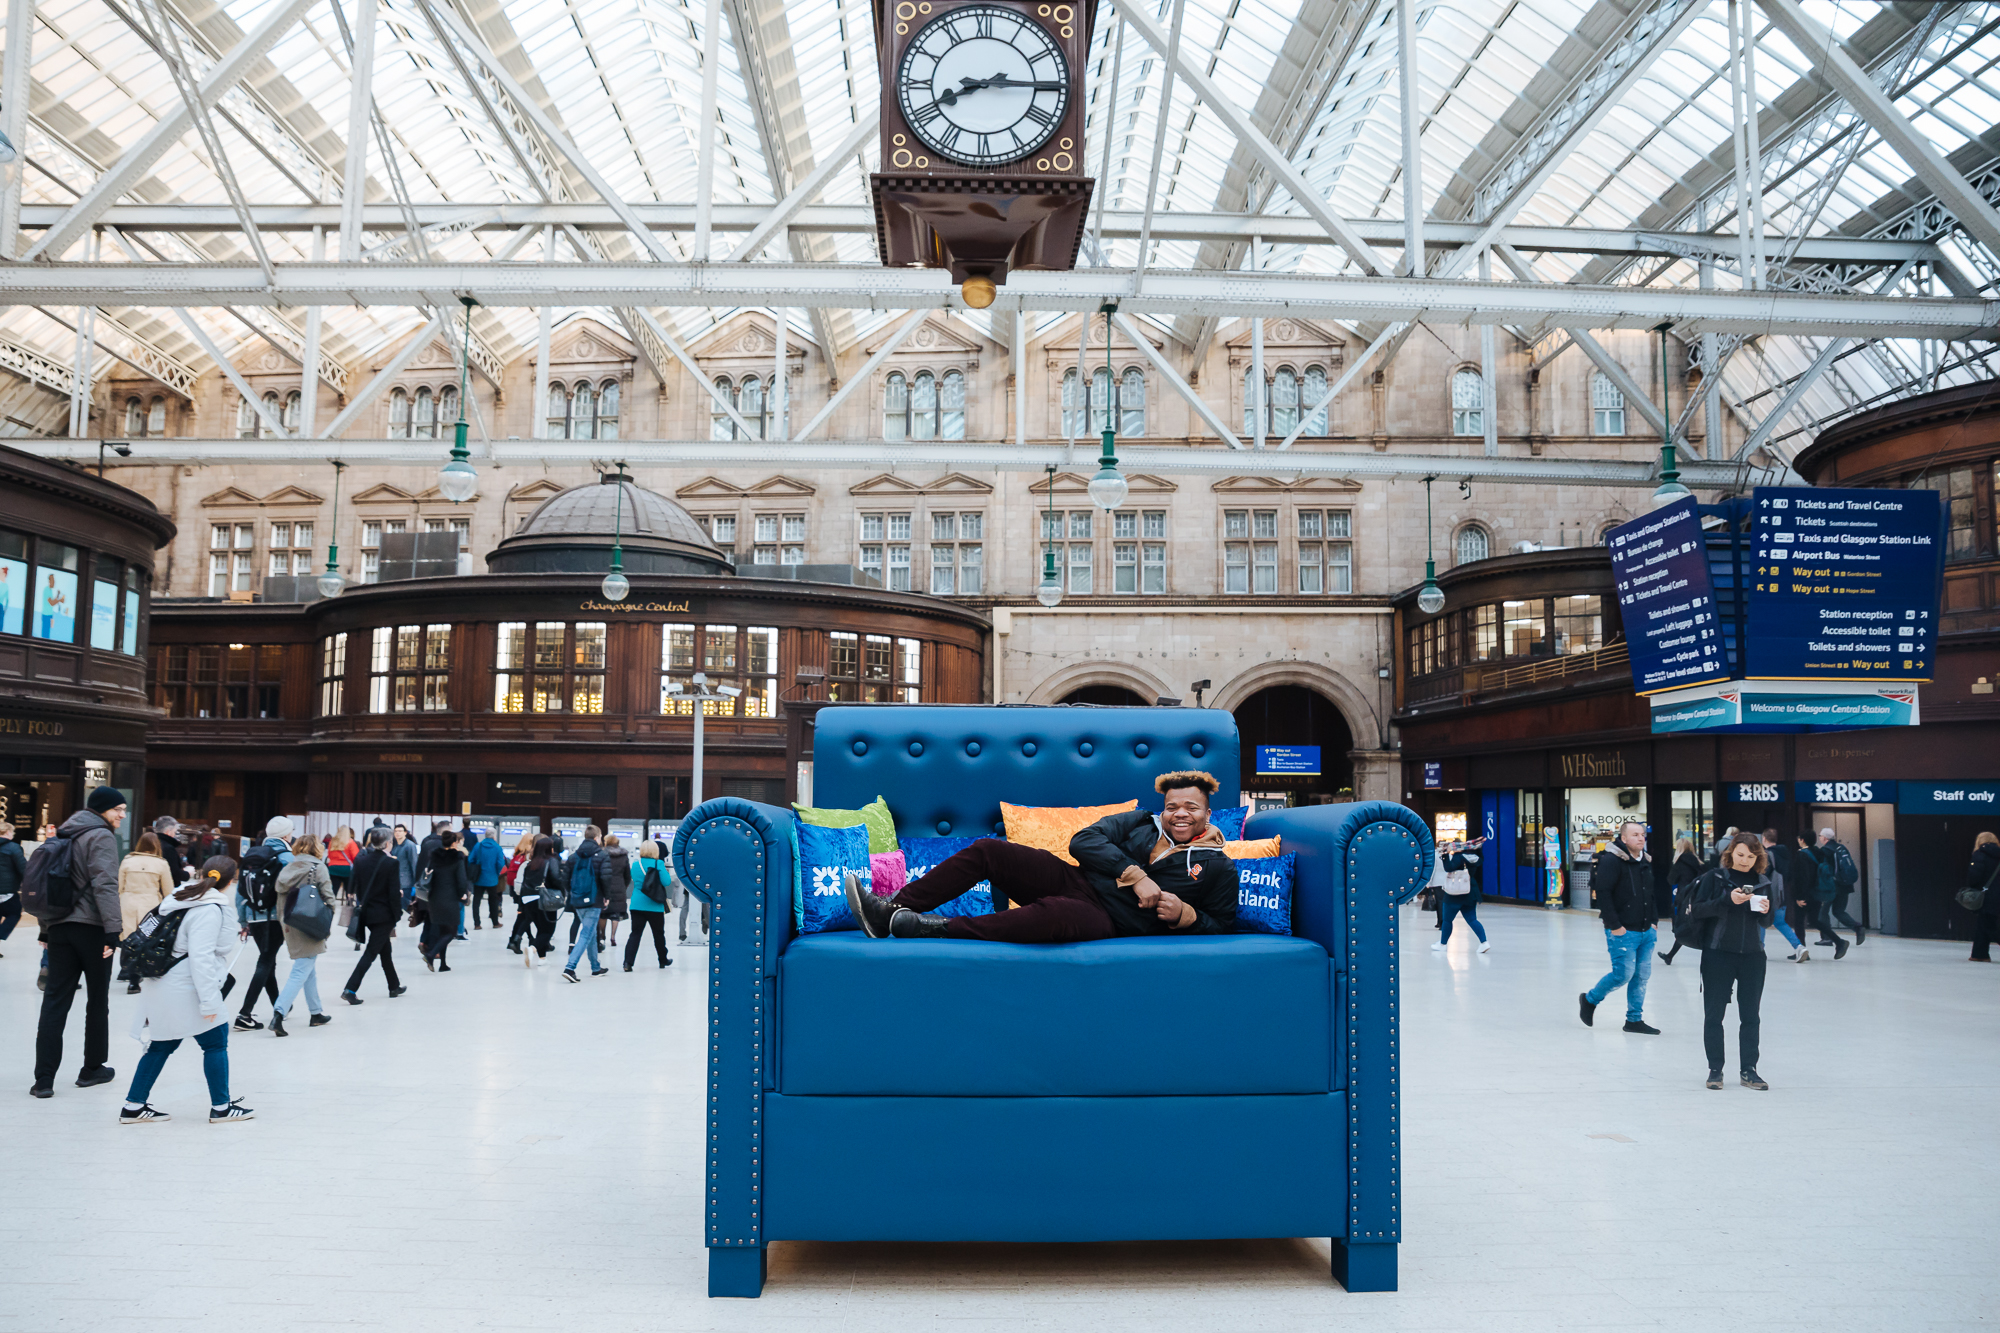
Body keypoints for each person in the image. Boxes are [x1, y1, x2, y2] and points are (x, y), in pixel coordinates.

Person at [848, 770, 1239, 942]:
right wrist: (1135, 874)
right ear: (1163, 807)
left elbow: (1222, 924)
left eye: (1191, 807)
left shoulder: (1218, 866)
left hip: (1109, 920)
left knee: (1051, 916)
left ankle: (930, 927)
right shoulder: (1139, 820)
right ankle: (890, 910)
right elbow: (1083, 842)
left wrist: (1188, 916)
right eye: (1173, 806)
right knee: (989, 851)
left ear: (1207, 813)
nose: (1180, 814)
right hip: (1076, 879)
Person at [120, 856, 254, 1124]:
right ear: (230, 882)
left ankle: (133, 1107)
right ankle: (222, 1107)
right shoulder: (209, 909)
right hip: (184, 986)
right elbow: (201, 958)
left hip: (160, 981)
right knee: (216, 1041)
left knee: (161, 1044)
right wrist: (209, 1002)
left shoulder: (180, 897)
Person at [30, 786, 128, 1097]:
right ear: (102, 809)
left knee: (55, 1001)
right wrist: (113, 930)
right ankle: (92, 1069)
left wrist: (46, 927)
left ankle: (43, 1079)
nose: (121, 816)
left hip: (59, 927)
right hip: (92, 929)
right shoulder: (99, 836)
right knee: (97, 1000)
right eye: (118, 810)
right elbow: (105, 883)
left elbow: (47, 883)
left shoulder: (63, 834)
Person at [1685, 832, 1777, 1091]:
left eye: (1751, 856)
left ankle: (1749, 1070)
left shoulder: (1762, 882)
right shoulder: (1715, 878)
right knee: (1714, 1014)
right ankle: (1715, 1069)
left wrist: (1766, 912)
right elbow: (1698, 910)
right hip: (1717, 954)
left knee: (1751, 1015)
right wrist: (1728, 899)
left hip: (1753, 956)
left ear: (1758, 857)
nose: (1745, 861)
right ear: (1730, 853)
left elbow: (1768, 922)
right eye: (1740, 855)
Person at [1577, 819, 1660, 1035]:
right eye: (1635, 835)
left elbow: (1650, 893)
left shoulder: (1645, 860)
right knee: (1623, 973)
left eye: (1642, 834)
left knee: (1641, 976)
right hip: (1623, 930)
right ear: (1623, 838)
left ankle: (1634, 1019)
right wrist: (1614, 925)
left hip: (1646, 930)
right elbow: (1603, 893)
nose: (1641, 838)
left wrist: (1654, 922)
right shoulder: (1611, 861)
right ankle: (1590, 999)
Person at [232, 816, 295, 1032]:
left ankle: (280, 1005)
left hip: (254, 917)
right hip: (275, 918)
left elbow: (241, 893)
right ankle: (244, 1013)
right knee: (266, 961)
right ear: (286, 834)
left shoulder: (253, 854)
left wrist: (244, 920)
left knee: (268, 962)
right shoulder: (287, 857)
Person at [269, 835, 334, 1037]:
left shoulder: (287, 867)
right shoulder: (319, 868)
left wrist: (285, 923)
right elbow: (329, 898)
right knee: (301, 970)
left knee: (308, 967)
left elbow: (280, 896)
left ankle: (316, 1013)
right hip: (311, 923)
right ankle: (279, 1012)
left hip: (290, 922)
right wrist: (328, 918)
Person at [341, 827, 406, 1002]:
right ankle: (350, 989)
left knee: (385, 950)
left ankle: (394, 986)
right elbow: (393, 893)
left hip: (367, 913)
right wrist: (397, 914)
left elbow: (356, 885)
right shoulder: (391, 863)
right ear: (386, 843)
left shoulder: (361, 861)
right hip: (384, 915)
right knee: (370, 952)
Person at [116, 831, 175, 993]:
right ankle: (138, 976)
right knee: (147, 941)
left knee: (129, 940)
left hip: (127, 903)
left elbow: (118, 886)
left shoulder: (127, 861)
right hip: (150, 905)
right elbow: (168, 891)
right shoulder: (161, 864)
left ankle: (127, 971)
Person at [419, 828, 469, 972]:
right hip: (450, 898)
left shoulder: (434, 857)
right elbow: (461, 879)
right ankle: (431, 954)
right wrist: (462, 894)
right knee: (451, 932)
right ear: (454, 843)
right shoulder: (457, 857)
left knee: (442, 931)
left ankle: (443, 964)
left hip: (434, 898)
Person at [562, 827, 609, 980]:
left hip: (577, 900)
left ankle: (595, 967)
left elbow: (565, 879)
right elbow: (605, 878)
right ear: (596, 837)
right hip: (594, 900)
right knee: (586, 933)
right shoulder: (601, 855)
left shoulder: (574, 856)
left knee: (591, 932)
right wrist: (607, 896)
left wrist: (573, 893)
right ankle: (570, 968)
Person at [513, 836, 564, 966]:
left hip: (528, 899)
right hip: (543, 899)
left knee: (540, 928)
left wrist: (521, 905)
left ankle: (542, 959)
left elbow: (524, 883)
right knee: (548, 930)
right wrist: (563, 892)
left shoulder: (531, 863)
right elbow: (556, 879)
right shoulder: (551, 861)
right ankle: (533, 949)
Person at [1432, 837, 1489, 953]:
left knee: (1447, 920)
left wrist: (1445, 855)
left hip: (1455, 892)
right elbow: (1481, 860)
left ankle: (1443, 944)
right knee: (1472, 919)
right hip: (1471, 892)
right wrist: (1478, 850)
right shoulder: (1473, 857)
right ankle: (1484, 942)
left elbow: (1448, 868)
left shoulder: (1458, 857)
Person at [1758, 828, 1808, 962]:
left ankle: (1759, 950)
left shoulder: (1767, 855)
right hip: (1782, 894)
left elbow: (1762, 875)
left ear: (1764, 839)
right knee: (1780, 922)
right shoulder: (1785, 854)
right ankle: (1799, 947)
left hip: (1768, 894)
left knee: (1761, 921)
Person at [624, 839, 674, 970]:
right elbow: (667, 882)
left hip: (636, 904)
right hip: (654, 906)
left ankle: (628, 963)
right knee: (658, 934)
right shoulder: (659, 864)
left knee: (635, 934)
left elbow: (634, 880)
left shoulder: (635, 864)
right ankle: (663, 960)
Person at [1802, 832, 1851, 959]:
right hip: (1836, 887)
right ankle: (1839, 939)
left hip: (1822, 889)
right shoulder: (1840, 848)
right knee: (1825, 915)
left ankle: (1802, 948)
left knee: (1818, 916)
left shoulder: (1820, 852)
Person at [1657, 837, 1704, 965]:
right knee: (1690, 925)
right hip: (1697, 897)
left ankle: (1670, 956)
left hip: (1683, 897)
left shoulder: (1679, 863)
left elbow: (1671, 880)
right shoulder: (1698, 862)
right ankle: (1670, 956)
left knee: (1681, 926)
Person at [1817, 827, 1867, 945]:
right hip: (1845, 885)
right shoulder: (1841, 848)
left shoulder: (1825, 850)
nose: (1819, 838)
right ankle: (1858, 928)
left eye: (1820, 836)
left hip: (1831, 887)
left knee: (1822, 912)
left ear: (1824, 838)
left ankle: (1827, 938)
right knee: (1839, 911)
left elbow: (1823, 870)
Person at [1966, 832, 2000, 962]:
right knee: (1983, 924)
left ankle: (1979, 954)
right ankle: (1979, 954)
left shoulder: (1979, 855)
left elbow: (1974, 877)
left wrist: (1972, 886)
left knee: (1989, 925)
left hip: (1986, 896)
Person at [467, 825, 506, 929]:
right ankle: (495, 922)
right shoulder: (497, 847)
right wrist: (496, 873)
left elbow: (470, 860)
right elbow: (500, 863)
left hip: (478, 878)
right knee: (493, 900)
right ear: (494, 836)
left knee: (476, 901)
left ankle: (477, 924)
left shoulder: (478, 846)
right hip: (492, 879)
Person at [601, 834, 632, 953]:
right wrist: (624, 885)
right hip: (619, 886)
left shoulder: (602, 854)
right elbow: (627, 875)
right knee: (616, 914)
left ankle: (602, 936)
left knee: (603, 913)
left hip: (605, 885)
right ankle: (613, 937)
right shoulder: (623, 856)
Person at [0, 820, 25, 958]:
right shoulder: (13, 848)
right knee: (15, 913)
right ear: (8, 832)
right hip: (7, 892)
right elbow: (23, 868)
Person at [152, 816, 189, 888]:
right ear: (168, 831)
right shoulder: (168, 848)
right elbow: (174, 872)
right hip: (165, 888)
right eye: (175, 832)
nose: (176, 835)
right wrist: (188, 874)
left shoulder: (152, 843)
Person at [391, 824, 420, 907]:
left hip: (406, 881)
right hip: (397, 879)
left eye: (400, 831)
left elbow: (414, 863)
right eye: (396, 831)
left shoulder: (410, 845)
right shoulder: (395, 845)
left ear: (405, 833)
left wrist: (416, 882)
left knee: (404, 905)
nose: (397, 833)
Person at [326, 825, 356, 903]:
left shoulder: (332, 842)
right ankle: (349, 900)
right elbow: (355, 856)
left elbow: (329, 855)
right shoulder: (350, 842)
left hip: (333, 868)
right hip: (347, 869)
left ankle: (330, 903)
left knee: (334, 889)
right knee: (348, 888)